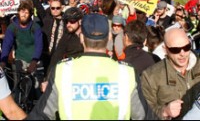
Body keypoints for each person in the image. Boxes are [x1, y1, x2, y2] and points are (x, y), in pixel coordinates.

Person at [26, 13, 154, 120]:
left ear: (82, 38)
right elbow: (143, 116)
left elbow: (42, 114)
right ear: (109, 37)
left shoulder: (63, 70)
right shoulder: (127, 72)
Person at [141, 28, 200, 119]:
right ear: (165, 50)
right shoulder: (151, 76)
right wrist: (164, 111)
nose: (182, 53)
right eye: (175, 50)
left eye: (186, 47)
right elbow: (144, 113)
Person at [0, 1, 43, 99]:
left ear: (30, 14)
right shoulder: (12, 27)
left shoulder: (35, 27)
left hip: (35, 59)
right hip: (20, 58)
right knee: (18, 86)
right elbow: (7, 45)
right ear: (18, 12)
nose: (24, 15)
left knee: (37, 88)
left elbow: (39, 45)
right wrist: (3, 61)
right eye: (22, 12)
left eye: (26, 13)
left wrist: (34, 61)